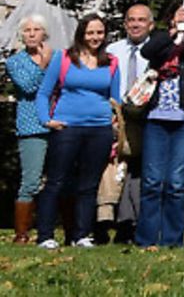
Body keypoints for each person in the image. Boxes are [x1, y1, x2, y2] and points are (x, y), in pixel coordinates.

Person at [35, 13, 122, 248]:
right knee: (56, 182)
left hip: (100, 130)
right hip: (67, 128)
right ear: (82, 34)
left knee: (89, 184)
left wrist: (115, 122)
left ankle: (81, 235)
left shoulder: (111, 62)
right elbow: (44, 93)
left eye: (100, 32)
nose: (95, 37)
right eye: (90, 32)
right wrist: (47, 120)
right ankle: (46, 235)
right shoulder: (63, 58)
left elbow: (115, 99)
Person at [134, 7, 184, 248]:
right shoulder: (162, 38)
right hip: (157, 117)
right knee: (152, 181)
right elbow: (147, 51)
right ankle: (146, 239)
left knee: (177, 183)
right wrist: (173, 31)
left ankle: (172, 240)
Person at [103, 3, 155, 243]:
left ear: (151, 24)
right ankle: (116, 223)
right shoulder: (113, 50)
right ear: (125, 24)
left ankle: (136, 223)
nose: (135, 24)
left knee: (140, 171)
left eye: (141, 20)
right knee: (117, 169)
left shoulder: (157, 50)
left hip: (148, 114)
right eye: (131, 20)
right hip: (118, 114)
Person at [8, 16, 53, 244]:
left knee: (60, 179)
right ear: (22, 35)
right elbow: (27, 87)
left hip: (57, 123)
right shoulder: (16, 62)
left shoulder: (57, 58)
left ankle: (65, 230)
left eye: (37, 29)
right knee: (31, 181)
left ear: (44, 34)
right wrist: (43, 66)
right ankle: (21, 234)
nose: (32, 34)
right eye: (27, 30)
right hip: (31, 125)